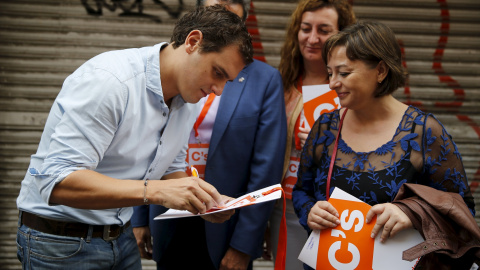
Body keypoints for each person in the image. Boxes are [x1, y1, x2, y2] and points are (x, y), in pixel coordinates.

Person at [15, 5, 253, 270]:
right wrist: (156, 192)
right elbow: (57, 181)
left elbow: (170, 170)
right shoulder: (111, 81)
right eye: (217, 73)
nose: (218, 91)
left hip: (121, 236)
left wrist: (206, 200)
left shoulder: (189, 99)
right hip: (60, 242)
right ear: (193, 42)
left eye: (227, 81)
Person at [292, 20, 476, 268]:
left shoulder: (423, 132)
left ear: (380, 70)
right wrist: (310, 212)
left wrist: (411, 213)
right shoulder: (325, 127)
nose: (333, 82)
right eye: (330, 73)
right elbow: (301, 191)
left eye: (344, 73)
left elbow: (460, 208)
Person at [131, 0, 286, 270]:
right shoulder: (174, 69)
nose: (221, 25)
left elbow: (266, 168)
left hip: (225, 223)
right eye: (214, 13)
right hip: (168, 212)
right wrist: (139, 216)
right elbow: (147, 144)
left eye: (229, 18)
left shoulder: (264, 79)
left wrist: (244, 244)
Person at [267, 0, 355, 268]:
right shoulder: (280, 85)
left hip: (338, 208)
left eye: (324, 30)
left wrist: (327, 143)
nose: (313, 38)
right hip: (287, 206)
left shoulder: (355, 87)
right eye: (306, 28)